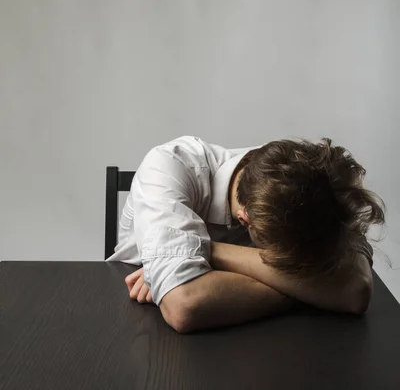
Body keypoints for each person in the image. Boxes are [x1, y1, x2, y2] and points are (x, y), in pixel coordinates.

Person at [107, 135, 385, 333]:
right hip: (135, 322)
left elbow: (356, 289)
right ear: (245, 220)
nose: (297, 278)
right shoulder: (167, 166)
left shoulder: (300, 176)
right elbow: (185, 305)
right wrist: (310, 291)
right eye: (289, 267)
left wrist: (209, 251)